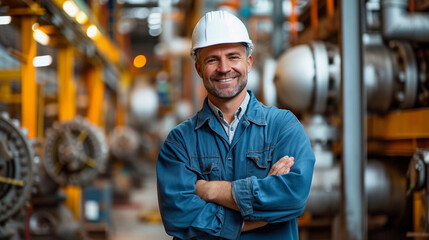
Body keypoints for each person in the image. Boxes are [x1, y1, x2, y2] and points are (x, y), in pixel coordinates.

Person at [156, 10, 315, 240]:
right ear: (199, 68)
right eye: (212, 59)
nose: (224, 68)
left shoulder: (283, 127)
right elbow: (179, 216)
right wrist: (262, 212)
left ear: (248, 62)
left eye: (233, 57)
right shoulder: (179, 142)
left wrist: (212, 191)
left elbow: (294, 196)